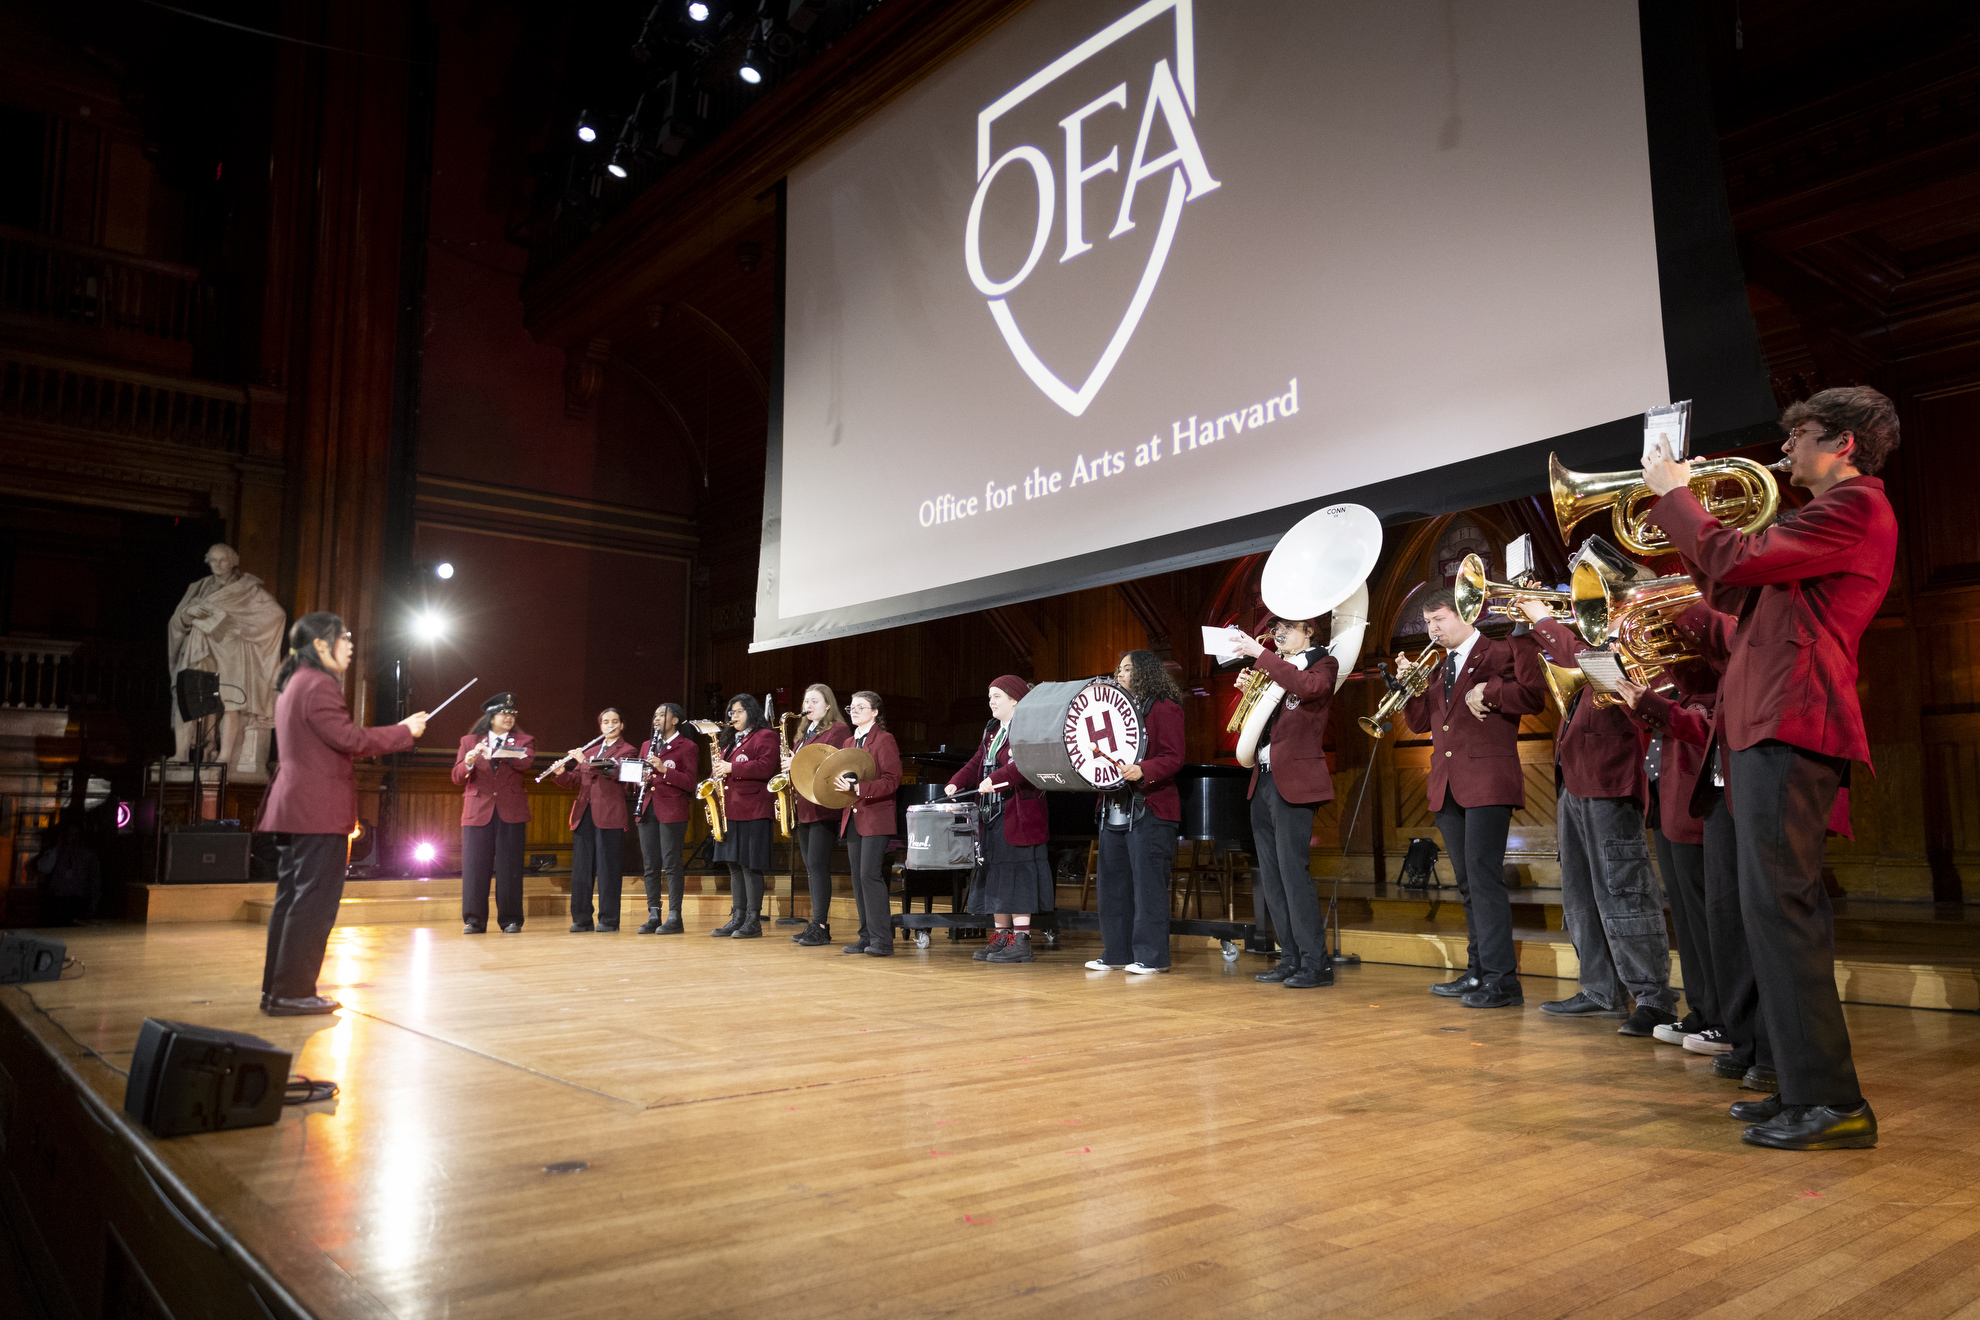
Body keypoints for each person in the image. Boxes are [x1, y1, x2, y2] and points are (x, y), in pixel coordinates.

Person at [1643, 384, 1900, 1151]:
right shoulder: (1818, 516)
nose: (1785, 450)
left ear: (1843, 443)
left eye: (1800, 436)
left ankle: (1834, 1102)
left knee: (1784, 912)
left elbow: (1735, 556)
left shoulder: (1856, 507)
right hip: (1767, 719)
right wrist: (1683, 518)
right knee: (1768, 914)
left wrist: (1679, 497)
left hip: (1794, 718)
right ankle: (1799, 1086)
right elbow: (1730, 582)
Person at [1515, 594, 1678, 1037]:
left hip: (1611, 781)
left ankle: (1653, 997)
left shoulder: (1637, 644)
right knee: (1580, 895)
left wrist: (1543, 620)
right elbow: (1550, 676)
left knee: (1623, 889)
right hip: (1575, 780)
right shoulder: (1596, 646)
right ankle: (1601, 988)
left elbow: (1595, 667)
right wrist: (1527, 627)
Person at [255, 612, 426, 1014]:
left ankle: (278, 990)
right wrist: (404, 731)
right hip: (317, 808)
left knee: (293, 900)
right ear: (320, 645)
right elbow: (349, 739)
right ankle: (292, 993)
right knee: (313, 904)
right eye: (344, 638)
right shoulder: (318, 684)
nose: (350, 645)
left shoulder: (295, 682)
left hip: (296, 806)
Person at [1401, 587, 1545, 1008]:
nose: (1432, 629)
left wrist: (1489, 690)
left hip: (1487, 781)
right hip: (1447, 784)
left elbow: (1532, 697)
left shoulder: (1499, 653)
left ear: (1464, 613)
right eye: (1427, 622)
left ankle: (1503, 981)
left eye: (1439, 619)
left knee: (1484, 880)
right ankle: (1479, 970)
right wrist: (1409, 687)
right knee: (1467, 885)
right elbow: (1420, 724)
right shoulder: (1437, 668)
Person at [1231, 612, 1340, 988]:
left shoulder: (1323, 663)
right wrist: (1251, 692)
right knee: (1272, 877)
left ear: (1309, 631)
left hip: (1293, 782)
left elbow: (1308, 688)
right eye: (1275, 628)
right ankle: (1290, 958)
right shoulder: (1276, 668)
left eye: (1287, 627)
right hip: (1262, 780)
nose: (1278, 633)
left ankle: (1315, 964)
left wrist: (1260, 657)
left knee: (1294, 874)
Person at [1087, 650, 1185, 975]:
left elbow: (1173, 756)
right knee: (1112, 885)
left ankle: (1152, 957)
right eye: (1118, 669)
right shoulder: (1114, 712)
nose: (1119, 674)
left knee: (1148, 887)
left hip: (1151, 808)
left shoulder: (1164, 707)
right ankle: (1117, 952)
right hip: (1114, 809)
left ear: (1145, 672)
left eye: (1127, 669)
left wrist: (1143, 770)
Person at [945, 675, 1053, 964]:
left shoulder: (1028, 729)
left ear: (1015, 700)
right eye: (990, 696)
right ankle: (1001, 939)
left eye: (997, 696)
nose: (991, 701)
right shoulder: (993, 731)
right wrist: (957, 781)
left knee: (1017, 879)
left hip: (1018, 815)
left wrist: (996, 778)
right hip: (992, 814)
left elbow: (1024, 765)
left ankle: (1021, 942)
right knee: (995, 876)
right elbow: (977, 761)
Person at [454, 692, 534, 934]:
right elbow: (456, 776)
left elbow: (526, 762)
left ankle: (510, 919)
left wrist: (496, 752)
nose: (509, 717)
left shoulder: (524, 740)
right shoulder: (469, 741)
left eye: (512, 713)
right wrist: (468, 762)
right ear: (491, 717)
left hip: (511, 811)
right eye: (503, 713)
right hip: (478, 810)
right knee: (475, 868)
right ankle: (473, 920)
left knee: (510, 868)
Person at [552, 708, 638, 932]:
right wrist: (561, 773)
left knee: (608, 870)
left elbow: (618, 773)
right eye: (606, 722)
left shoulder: (628, 750)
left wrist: (586, 760)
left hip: (610, 815)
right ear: (600, 726)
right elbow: (575, 780)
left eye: (615, 721)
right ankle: (581, 919)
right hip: (584, 814)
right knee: (582, 868)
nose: (610, 725)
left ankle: (608, 920)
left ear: (622, 725)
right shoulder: (591, 750)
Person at [836, 690, 901, 957]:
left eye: (860, 707)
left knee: (869, 875)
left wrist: (859, 788)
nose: (854, 710)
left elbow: (892, 780)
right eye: (851, 707)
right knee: (857, 877)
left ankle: (882, 940)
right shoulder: (849, 741)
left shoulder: (884, 739)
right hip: (853, 816)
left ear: (875, 712)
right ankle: (865, 936)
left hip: (876, 817)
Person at [787, 684, 851, 947]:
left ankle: (821, 926)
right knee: (811, 868)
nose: (808, 706)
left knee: (816, 865)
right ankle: (817, 924)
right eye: (806, 701)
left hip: (824, 807)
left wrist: (795, 762)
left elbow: (830, 764)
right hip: (804, 807)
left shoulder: (838, 730)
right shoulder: (805, 733)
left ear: (828, 705)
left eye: (814, 701)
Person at [710, 694, 778, 938]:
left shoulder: (766, 735)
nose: (734, 716)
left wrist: (732, 767)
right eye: (732, 712)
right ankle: (738, 916)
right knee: (734, 865)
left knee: (751, 865)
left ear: (752, 712)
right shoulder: (730, 740)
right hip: (731, 809)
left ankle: (753, 920)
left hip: (754, 810)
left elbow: (766, 767)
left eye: (739, 711)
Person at [632, 703, 698, 934]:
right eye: (655, 715)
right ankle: (653, 914)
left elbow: (690, 782)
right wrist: (638, 777)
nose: (657, 719)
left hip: (672, 810)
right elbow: (637, 778)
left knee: (671, 863)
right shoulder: (646, 745)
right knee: (650, 864)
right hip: (647, 807)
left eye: (662, 715)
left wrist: (664, 770)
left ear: (675, 720)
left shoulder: (687, 746)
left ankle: (675, 916)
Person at [36, 823, 102, 926]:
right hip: (58, 900)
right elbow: (44, 868)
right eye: (70, 834)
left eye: (77, 834)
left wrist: (94, 901)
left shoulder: (88, 855)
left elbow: (95, 879)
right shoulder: (57, 852)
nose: (73, 838)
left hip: (78, 901)